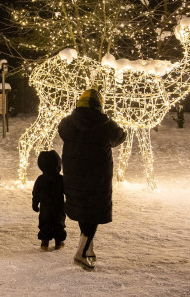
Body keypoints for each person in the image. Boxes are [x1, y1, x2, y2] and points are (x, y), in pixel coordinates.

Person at [58, 88, 126, 270]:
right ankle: (81, 253)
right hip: (97, 179)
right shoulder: (105, 124)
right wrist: (110, 118)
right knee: (93, 213)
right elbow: (120, 136)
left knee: (83, 210)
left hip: (74, 177)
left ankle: (88, 249)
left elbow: (61, 131)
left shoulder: (68, 123)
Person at [32, 150, 66, 251]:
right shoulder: (60, 179)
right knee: (59, 224)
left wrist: (35, 203)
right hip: (59, 206)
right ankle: (58, 242)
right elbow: (67, 191)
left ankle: (44, 242)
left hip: (45, 207)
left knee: (45, 223)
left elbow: (36, 193)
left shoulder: (40, 179)